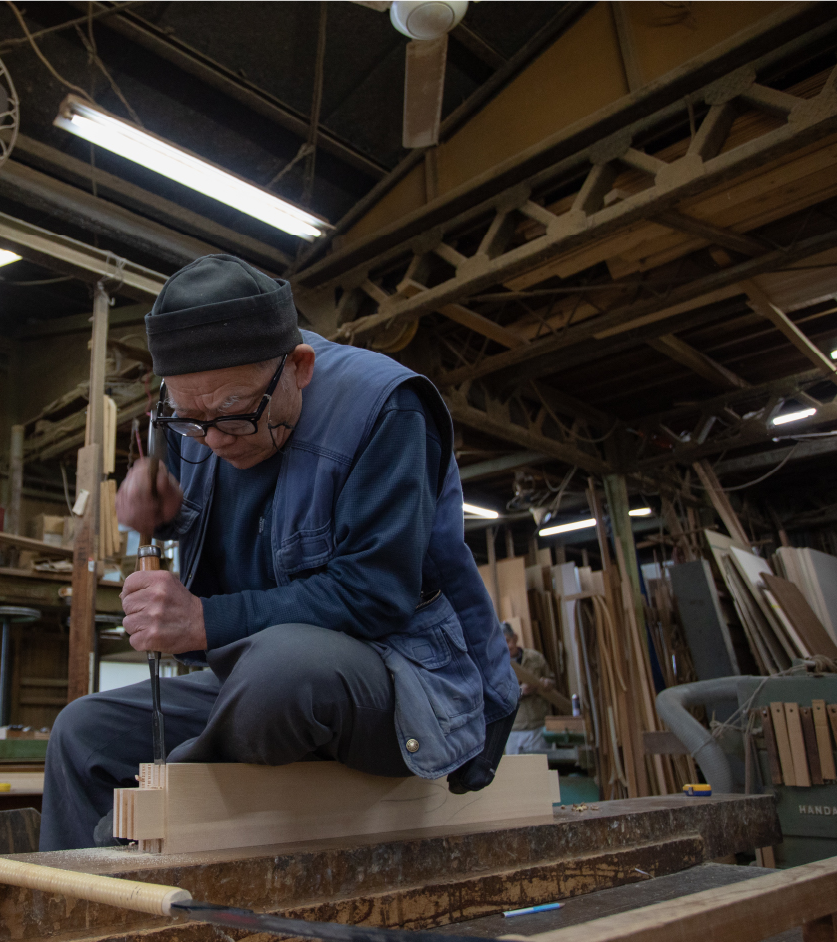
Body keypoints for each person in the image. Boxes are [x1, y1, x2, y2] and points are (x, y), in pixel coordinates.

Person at [40, 255, 520, 851]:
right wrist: (160, 507)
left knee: (284, 667)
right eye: (193, 420)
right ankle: (84, 909)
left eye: (235, 417)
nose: (212, 440)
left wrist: (201, 621)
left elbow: (376, 595)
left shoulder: (385, 409)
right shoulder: (194, 410)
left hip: (404, 677)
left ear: (299, 367)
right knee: (82, 731)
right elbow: (209, 489)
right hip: (251, 680)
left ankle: (138, 827)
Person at [502, 623, 557, 755]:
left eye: (508, 641)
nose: (506, 647)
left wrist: (548, 683)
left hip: (538, 725)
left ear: (515, 638)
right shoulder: (498, 666)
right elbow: (498, 696)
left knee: (540, 768)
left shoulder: (535, 658)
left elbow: (551, 680)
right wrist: (520, 691)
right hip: (514, 729)